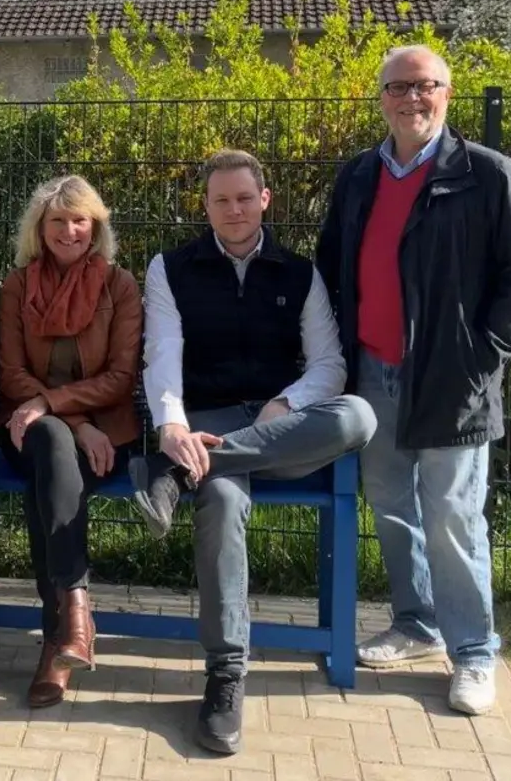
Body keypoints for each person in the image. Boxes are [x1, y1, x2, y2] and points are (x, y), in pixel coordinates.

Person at [314, 44, 511, 716]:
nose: (410, 98)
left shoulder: (487, 174)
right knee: (391, 507)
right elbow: (334, 265)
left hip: (454, 381)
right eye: (397, 87)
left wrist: (486, 355)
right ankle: (415, 624)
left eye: (424, 86)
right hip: (371, 376)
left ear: (447, 93)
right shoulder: (359, 175)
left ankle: (473, 653)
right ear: (381, 97)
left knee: (452, 517)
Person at [132, 148, 377, 755]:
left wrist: (287, 405)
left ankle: (174, 473)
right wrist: (173, 427)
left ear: (265, 200)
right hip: (204, 422)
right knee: (217, 498)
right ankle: (226, 675)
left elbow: (329, 365)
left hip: (280, 426)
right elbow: (162, 354)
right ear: (206, 206)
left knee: (360, 415)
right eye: (221, 200)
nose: (233, 210)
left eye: (245, 198)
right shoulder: (171, 268)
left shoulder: (299, 273)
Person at [0, 175, 142, 709]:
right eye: (58, 220)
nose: (70, 230)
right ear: (40, 228)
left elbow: (122, 378)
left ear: (95, 227)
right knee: (51, 444)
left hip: (106, 432)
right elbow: (11, 372)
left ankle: (57, 635)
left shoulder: (118, 286)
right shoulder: (16, 286)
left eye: (81, 220)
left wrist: (62, 411)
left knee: (47, 478)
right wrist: (67, 418)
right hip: (30, 427)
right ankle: (75, 608)